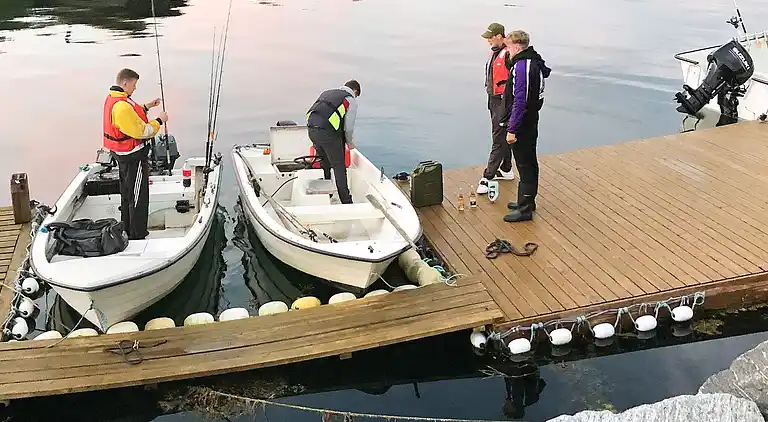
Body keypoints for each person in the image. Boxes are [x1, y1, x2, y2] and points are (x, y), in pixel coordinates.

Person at [102, 68, 168, 240]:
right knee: (138, 196)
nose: (135, 88)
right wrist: (159, 121)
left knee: (127, 192)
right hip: (133, 157)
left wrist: (148, 106)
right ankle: (137, 234)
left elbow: (133, 114)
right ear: (125, 83)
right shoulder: (122, 107)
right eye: (134, 84)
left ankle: (127, 228)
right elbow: (142, 131)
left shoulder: (114, 99)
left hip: (121, 154)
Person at [502, 30, 551, 222]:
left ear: (515, 47)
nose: (507, 52)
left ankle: (525, 209)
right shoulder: (531, 61)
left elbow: (521, 100)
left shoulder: (523, 66)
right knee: (527, 161)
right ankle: (527, 201)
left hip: (524, 122)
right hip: (529, 119)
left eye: (508, 47)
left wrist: (512, 128)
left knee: (525, 164)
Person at [305, 80, 360, 204]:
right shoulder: (349, 99)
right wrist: (349, 142)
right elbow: (349, 127)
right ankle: (346, 201)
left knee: (324, 161)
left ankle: (328, 193)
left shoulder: (327, 93)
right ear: (355, 91)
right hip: (327, 133)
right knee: (339, 166)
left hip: (312, 129)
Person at [477, 22, 515, 196]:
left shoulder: (508, 55)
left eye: (490, 38)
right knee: (501, 134)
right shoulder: (496, 52)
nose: (488, 41)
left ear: (500, 36)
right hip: (494, 100)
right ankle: (506, 169)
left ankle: (488, 176)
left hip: (503, 102)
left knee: (498, 138)